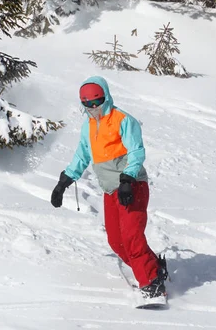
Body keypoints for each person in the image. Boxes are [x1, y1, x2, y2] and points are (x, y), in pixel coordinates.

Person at [50, 76, 168, 299]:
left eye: (97, 101)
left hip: (131, 186)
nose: (93, 108)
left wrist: (127, 179)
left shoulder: (123, 120)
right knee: (117, 241)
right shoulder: (88, 126)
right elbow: (82, 155)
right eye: (88, 104)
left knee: (132, 238)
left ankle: (153, 284)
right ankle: (155, 268)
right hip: (110, 190)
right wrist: (64, 181)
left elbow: (136, 152)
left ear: (106, 97)